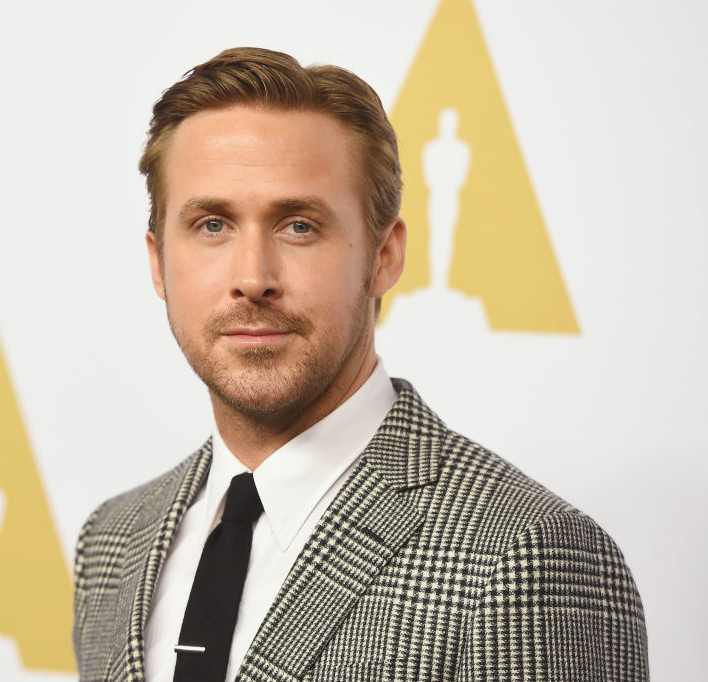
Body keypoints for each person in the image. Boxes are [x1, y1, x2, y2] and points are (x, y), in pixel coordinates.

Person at [71, 47, 648, 681]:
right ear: (158, 263)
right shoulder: (113, 543)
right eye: (212, 225)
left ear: (384, 256)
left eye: (298, 226)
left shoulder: (529, 558)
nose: (253, 278)